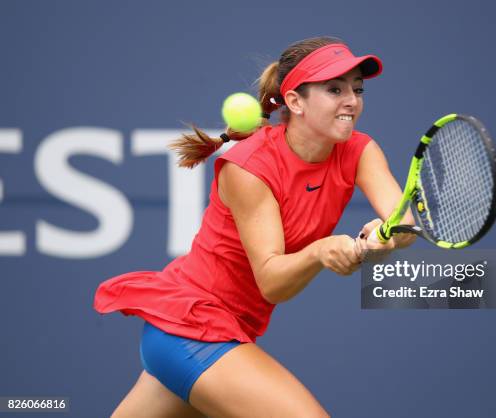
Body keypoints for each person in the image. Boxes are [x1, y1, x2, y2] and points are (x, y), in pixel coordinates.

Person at [93, 36, 416, 418]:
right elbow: (272, 281)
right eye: (334, 89)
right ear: (294, 101)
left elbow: (403, 225)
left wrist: (383, 238)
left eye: (357, 90)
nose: (352, 101)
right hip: (190, 325)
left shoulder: (361, 150)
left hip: (221, 332)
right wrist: (319, 251)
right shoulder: (250, 168)